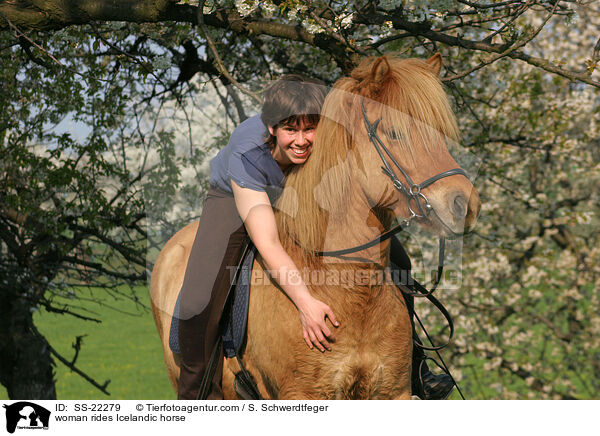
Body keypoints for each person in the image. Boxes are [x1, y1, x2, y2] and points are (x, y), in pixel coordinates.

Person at [176, 74, 454, 400]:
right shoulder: (247, 152)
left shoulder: (328, 130)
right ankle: (197, 397)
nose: (303, 140)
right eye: (290, 130)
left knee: (398, 258)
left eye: (310, 129)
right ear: (271, 128)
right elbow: (267, 242)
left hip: (301, 186)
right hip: (238, 196)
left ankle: (417, 365)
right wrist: (306, 303)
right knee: (199, 297)